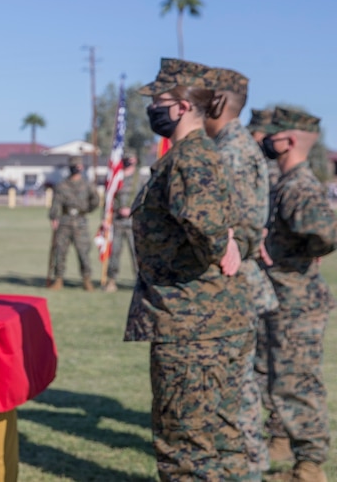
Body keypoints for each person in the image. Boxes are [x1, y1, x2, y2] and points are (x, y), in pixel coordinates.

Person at [125, 57, 254, 480]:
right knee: (222, 439)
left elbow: (205, 222)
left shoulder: (189, 158)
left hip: (192, 327)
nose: (152, 108)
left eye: (158, 100)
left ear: (181, 106)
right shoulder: (202, 154)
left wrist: (221, 243)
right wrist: (227, 240)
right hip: (215, 321)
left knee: (186, 448)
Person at [200, 67, 278, 478]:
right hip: (240, 281)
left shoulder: (228, 151)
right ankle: (250, 466)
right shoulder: (236, 145)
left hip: (232, 283)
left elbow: (232, 228)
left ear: (213, 103)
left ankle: (247, 469)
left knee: (234, 389)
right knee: (239, 385)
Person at [258, 107, 337, 481]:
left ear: (288, 140)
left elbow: (325, 232)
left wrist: (300, 252)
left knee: (297, 383)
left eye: (272, 134)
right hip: (282, 297)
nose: (265, 140)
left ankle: (309, 468)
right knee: (281, 379)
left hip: (298, 300)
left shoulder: (299, 186)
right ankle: (291, 448)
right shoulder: (287, 182)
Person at [47, 155, 99, 290]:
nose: (77, 168)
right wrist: (54, 217)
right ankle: (58, 279)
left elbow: (95, 200)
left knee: (83, 252)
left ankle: (87, 280)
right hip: (64, 222)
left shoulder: (87, 185)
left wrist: (86, 210)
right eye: (74, 166)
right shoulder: (62, 185)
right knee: (60, 252)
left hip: (80, 222)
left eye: (79, 166)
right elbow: (56, 203)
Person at [103, 151, 140, 293]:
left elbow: (146, 198)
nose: (129, 161)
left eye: (131, 158)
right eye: (126, 158)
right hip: (117, 222)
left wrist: (132, 209)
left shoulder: (140, 179)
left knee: (136, 253)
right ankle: (111, 281)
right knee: (115, 252)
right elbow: (109, 199)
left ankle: (139, 281)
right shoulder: (116, 177)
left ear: (135, 159)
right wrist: (106, 218)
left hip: (134, 223)